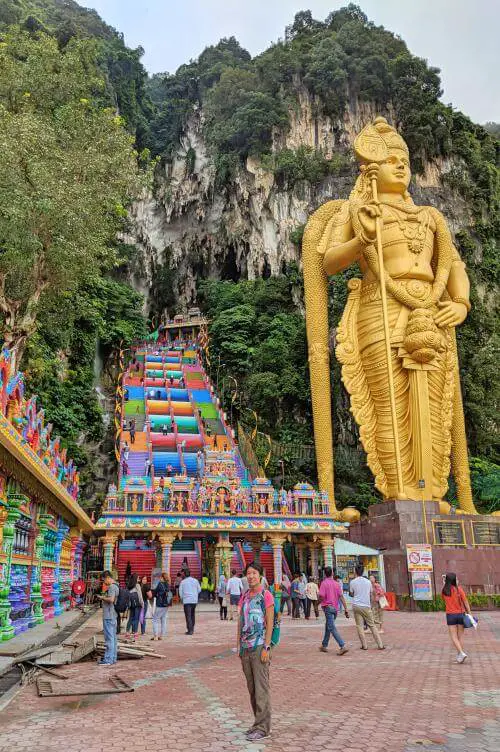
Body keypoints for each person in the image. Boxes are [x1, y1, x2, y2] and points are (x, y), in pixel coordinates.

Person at [237, 562, 274, 742]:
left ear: (260, 575)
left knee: (261, 688)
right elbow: (240, 622)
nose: (250, 576)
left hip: (260, 646)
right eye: (248, 573)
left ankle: (263, 727)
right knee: (252, 689)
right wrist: (238, 646)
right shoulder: (244, 596)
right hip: (245, 647)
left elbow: (270, 622)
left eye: (254, 573)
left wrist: (267, 646)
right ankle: (257, 723)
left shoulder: (266, 595)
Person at [349, 563, 384, 650]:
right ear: (363, 571)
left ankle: (364, 646)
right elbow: (371, 594)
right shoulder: (368, 582)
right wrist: (371, 604)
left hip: (356, 605)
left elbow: (351, 593)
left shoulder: (352, 582)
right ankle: (380, 645)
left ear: (355, 572)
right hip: (366, 605)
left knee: (359, 626)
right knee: (372, 625)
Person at [318, 566, 349, 655]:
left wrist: (317, 604)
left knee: (331, 627)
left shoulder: (324, 583)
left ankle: (342, 645)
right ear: (332, 573)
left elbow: (322, 596)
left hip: (328, 608)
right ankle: (324, 645)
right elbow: (341, 597)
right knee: (328, 626)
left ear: (325, 574)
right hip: (335, 609)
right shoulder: (336, 584)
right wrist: (346, 609)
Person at [442, 572, 471, 663]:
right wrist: (469, 613)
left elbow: (444, 600)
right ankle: (460, 655)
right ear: (455, 580)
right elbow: (466, 602)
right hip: (460, 614)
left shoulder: (444, 591)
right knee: (460, 637)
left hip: (450, 615)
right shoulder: (459, 589)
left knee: (454, 637)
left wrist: (445, 584)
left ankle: (461, 653)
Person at [96, 571, 119, 666]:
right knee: (113, 637)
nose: (104, 582)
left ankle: (108, 659)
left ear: (108, 577)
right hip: (113, 615)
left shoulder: (112, 587)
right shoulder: (116, 586)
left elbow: (111, 599)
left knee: (109, 638)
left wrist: (102, 597)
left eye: (104, 580)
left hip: (109, 616)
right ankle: (113, 658)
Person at [179, 569, 201, 635]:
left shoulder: (183, 582)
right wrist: (194, 594)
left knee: (188, 615)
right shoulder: (195, 580)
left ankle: (190, 630)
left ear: (184, 575)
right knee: (192, 614)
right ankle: (192, 628)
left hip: (186, 601)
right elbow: (199, 590)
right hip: (194, 600)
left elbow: (180, 592)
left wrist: (182, 598)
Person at [151, 573, 172, 641]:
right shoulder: (168, 584)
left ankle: (156, 636)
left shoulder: (160, 584)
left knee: (155, 619)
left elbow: (154, 593)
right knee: (163, 619)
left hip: (160, 604)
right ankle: (162, 635)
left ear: (162, 577)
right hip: (166, 605)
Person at [126, 573, 144, 641]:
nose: (139, 579)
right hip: (137, 604)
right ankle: (135, 632)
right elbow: (140, 595)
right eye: (138, 578)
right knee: (136, 618)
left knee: (130, 618)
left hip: (131, 604)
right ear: (136, 579)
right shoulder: (137, 585)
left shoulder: (129, 585)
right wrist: (142, 603)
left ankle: (127, 632)